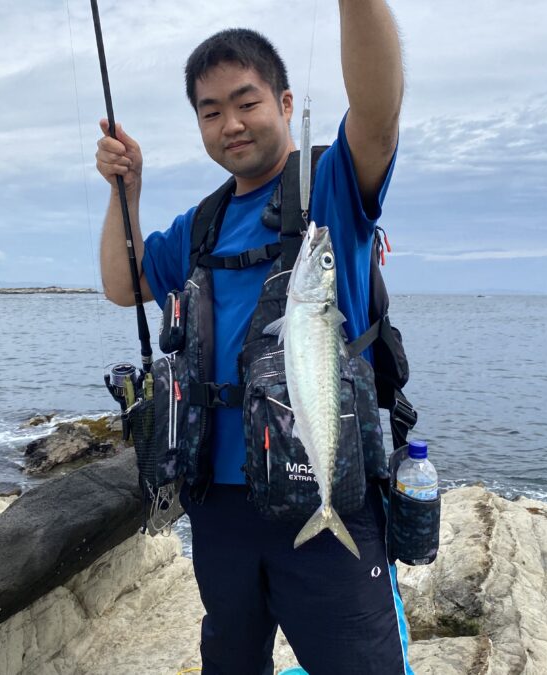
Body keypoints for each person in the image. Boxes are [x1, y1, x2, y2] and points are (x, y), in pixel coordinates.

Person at [96, 4, 412, 674]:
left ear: (286, 101)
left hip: (325, 486)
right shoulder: (200, 226)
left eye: (246, 102)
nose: (230, 123)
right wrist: (126, 190)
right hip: (220, 506)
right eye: (211, 111)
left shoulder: (329, 189)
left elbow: (378, 116)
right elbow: (124, 284)